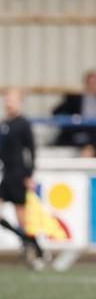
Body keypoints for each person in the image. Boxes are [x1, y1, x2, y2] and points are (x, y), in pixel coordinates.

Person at [0, 89, 48, 269]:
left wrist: (29, 175)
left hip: (18, 176)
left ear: (19, 102)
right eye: (6, 100)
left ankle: (38, 250)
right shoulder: (4, 124)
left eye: (11, 100)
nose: (8, 103)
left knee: (23, 220)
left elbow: (31, 151)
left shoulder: (23, 124)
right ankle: (27, 242)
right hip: (6, 175)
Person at [52, 70, 96, 157]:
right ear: (85, 83)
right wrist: (72, 120)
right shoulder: (75, 97)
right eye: (90, 83)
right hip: (80, 128)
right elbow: (56, 111)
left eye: (95, 83)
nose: (92, 86)